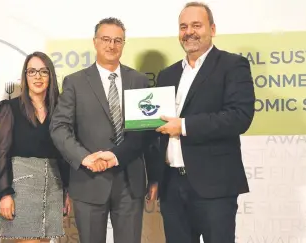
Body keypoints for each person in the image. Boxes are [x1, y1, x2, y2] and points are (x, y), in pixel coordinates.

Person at [146, 2, 256, 243]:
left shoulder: (232, 66)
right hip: (171, 185)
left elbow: (239, 117)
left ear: (212, 29)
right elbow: (158, 130)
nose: (189, 32)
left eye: (196, 25)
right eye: (183, 26)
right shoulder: (168, 74)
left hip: (214, 186)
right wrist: (154, 176)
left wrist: (184, 126)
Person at [50, 17, 151, 243]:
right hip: (88, 180)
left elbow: (145, 133)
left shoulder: (140, 81)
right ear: (95, 42)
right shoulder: (74, 82)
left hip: (130, 181)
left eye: (118, 40)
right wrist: (84, 158)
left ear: (124, 44)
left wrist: (153, 177)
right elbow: (59, 127)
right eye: (106, 39)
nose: (111, 45)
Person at [0, 51, 71, 243]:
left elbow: (65, 154)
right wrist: (4, 193)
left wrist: (66, 192)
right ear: (25, 76)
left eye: (43, 71)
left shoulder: (60, 110)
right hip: (21, 187)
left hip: (54, 185)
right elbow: (1, 152)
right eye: (32, 71)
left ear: (51, 76)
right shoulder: (10, 108)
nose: (38, 76)